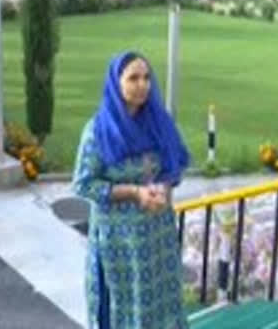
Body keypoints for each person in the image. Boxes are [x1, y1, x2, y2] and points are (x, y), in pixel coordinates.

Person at [73, 51, 190, 329]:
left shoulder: (158, 123)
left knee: (162, 302)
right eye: (133, 78)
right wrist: (134, 192)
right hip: (120, 242)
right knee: (128, 306)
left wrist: (163, 188)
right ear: (117, 83)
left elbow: (173, 166)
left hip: (157, 235)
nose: (142, 85)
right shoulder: (99, 131)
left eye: (147, 77)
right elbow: (83, 183)